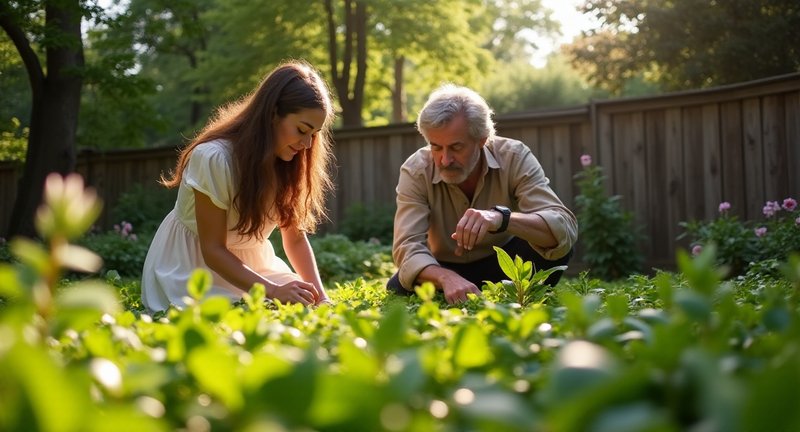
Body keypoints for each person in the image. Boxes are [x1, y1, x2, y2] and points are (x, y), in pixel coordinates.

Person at [141, 60, 335, 312]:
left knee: (301, 301)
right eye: (302, 130)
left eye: (314, 134)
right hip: (192, 267)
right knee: (248, 311)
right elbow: (212, 250)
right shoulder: (214, 158)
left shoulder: (289, 163)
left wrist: (321, 297)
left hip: (255, 266)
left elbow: (295, 239)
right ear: (273, 113)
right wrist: (274, 290)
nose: (307, 144)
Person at [388, 84, 578, 304]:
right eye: (436, 147)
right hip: (442, 269)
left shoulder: (514, 156)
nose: (445, 160)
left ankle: (516, 299)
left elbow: (564, 226)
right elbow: (407, 247)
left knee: (556, 242)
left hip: (505, 265)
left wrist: (501, 218)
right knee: (397, 286)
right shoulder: (415, 170)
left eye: (456, 147)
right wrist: (446, 278)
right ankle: (454, 288)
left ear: (482, 139)